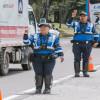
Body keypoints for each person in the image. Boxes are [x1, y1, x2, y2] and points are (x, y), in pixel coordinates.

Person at [23, 20, 64, 94]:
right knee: (38, 74)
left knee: (48, 73)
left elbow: (57, 46)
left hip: (50, 59)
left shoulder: (54, 37)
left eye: (45, 27)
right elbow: (26, 42)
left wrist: (61, 55)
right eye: (41, 27)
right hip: (37, 59)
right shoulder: (34, 36)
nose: (43, 29)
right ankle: (38, 89)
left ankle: (47, 89)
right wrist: (25, 34)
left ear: (49, 28)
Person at [67, 11, 96, 77]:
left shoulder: (91, 25)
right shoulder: (75, 24)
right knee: (77, 59)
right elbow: (68, 24)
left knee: (86, 59)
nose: (82, 17)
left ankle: (85, 72)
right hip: (77, 44)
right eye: (81, 16)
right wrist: (72, 17)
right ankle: (77, 73)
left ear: (87, 17)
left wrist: (95, 42)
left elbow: (95, 33)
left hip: (87, 44)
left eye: (84, 16)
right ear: (79, 17)